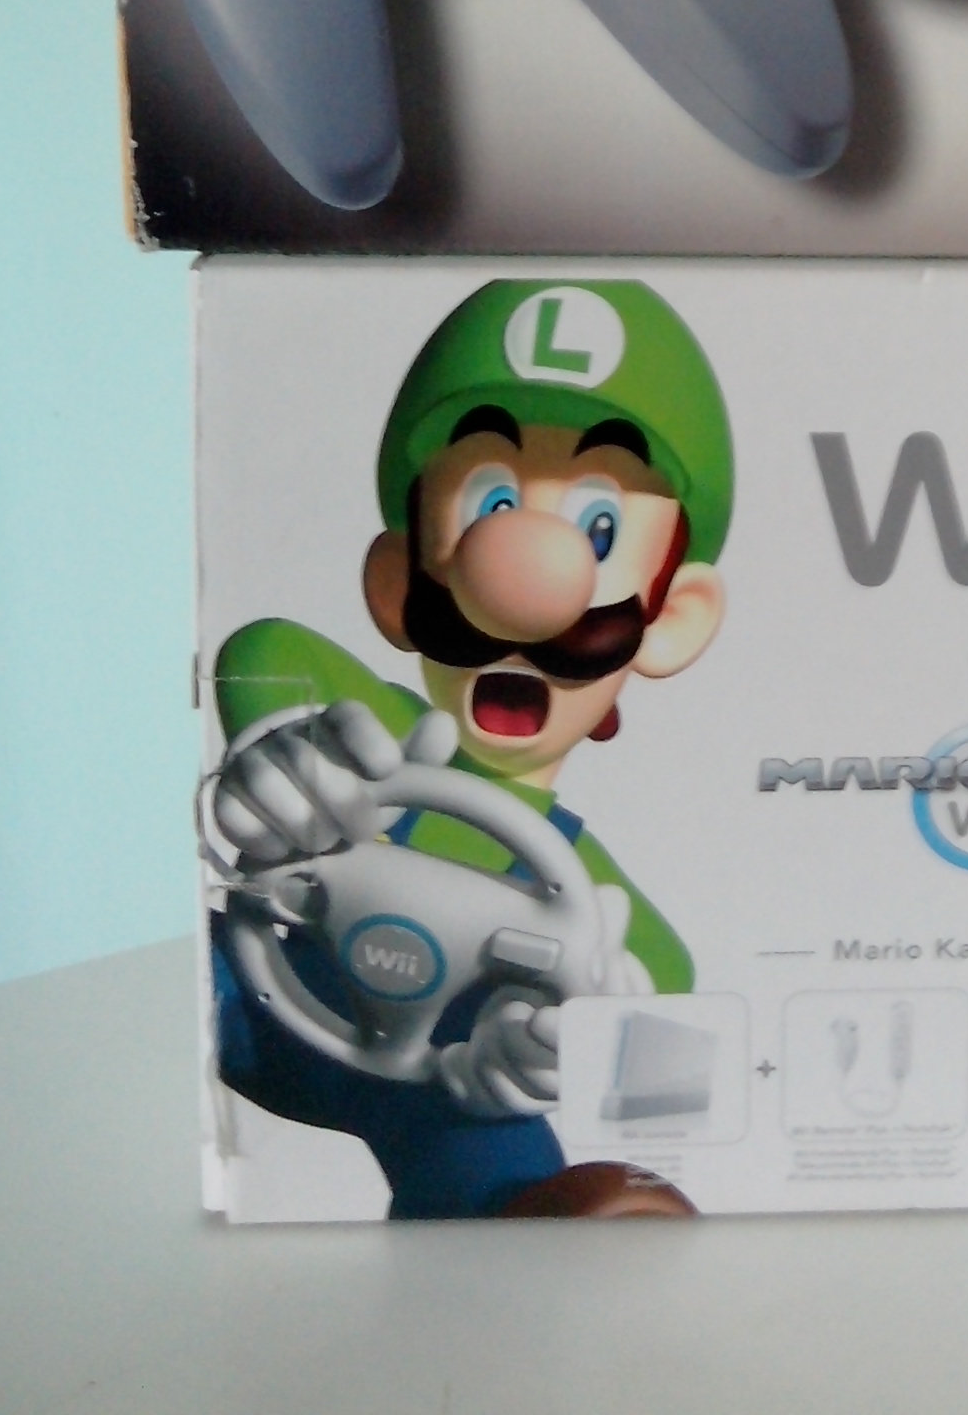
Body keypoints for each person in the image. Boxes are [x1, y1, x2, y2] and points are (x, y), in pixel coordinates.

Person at [207, 278, 731, 1218]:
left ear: (672, 619)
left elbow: (665, 977)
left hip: (438, 1087)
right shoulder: (373, 730)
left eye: (598, 529)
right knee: (137, 993)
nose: (522, 578)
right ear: (399, 581)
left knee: (506, 1178)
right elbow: (268, 655)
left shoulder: (583, 881)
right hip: (259, 997)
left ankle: (528, 1267)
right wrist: (289, 761)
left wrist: (565, 1033)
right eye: (491, 503)